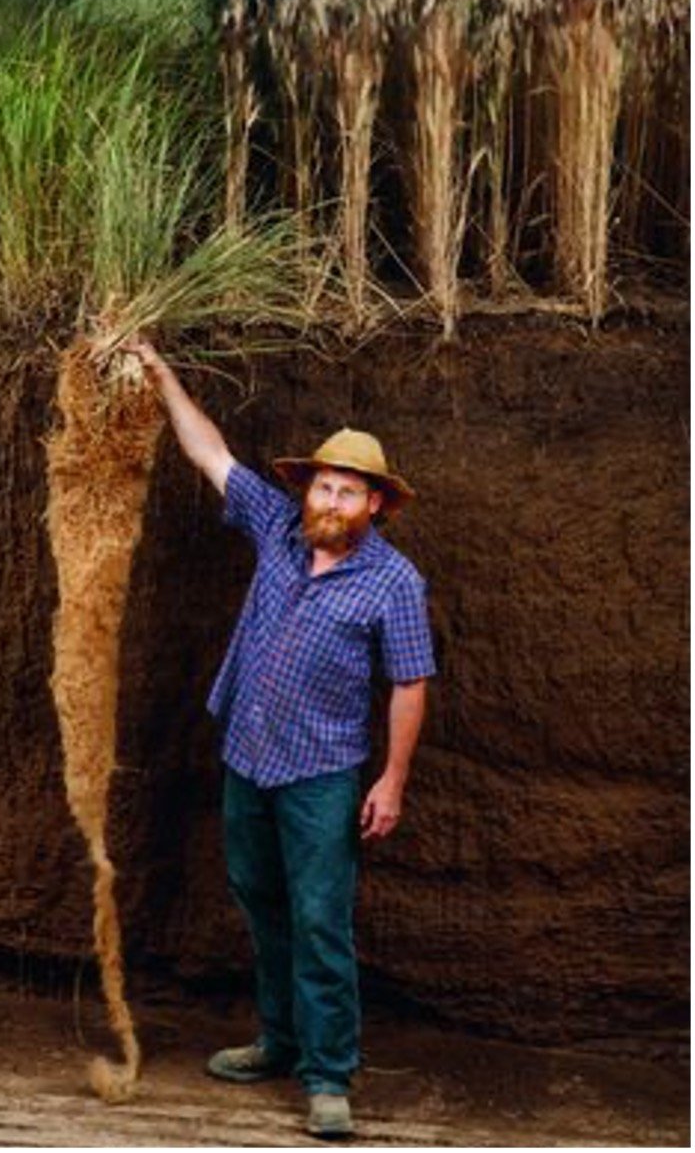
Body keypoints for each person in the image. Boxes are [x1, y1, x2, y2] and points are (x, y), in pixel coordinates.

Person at [125, 338, 436, 1139]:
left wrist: (391, 780)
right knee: (261, 905)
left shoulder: (394, 584)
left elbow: (409, 683)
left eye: (349, 492)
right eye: (324, 485)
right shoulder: (276, 528)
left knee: (320, 919)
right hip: (247, 762)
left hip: (322, 776)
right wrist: (161, 375)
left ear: (376, 506)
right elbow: (209, 453)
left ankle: (328, 1076)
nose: (331, 501)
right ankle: (278, 1040)